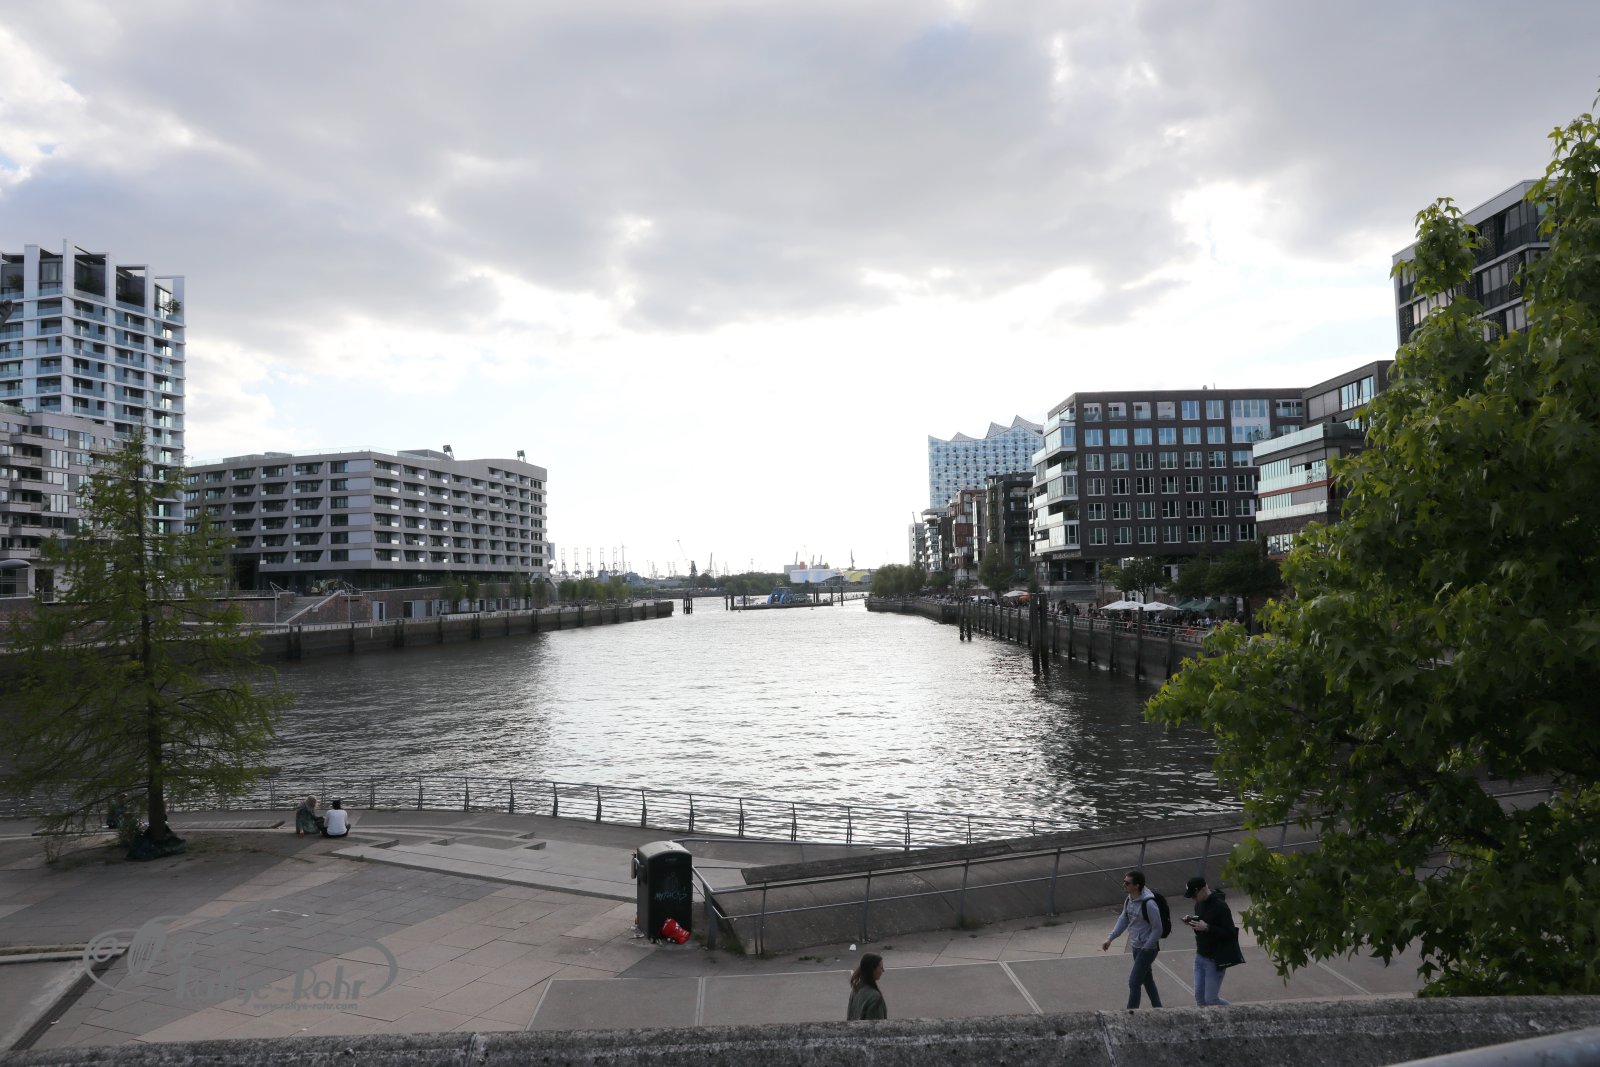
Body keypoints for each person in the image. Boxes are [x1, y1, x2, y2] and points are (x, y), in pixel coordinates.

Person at [1101, 869, 1163, 1009]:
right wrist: (1110, 938)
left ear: (1137, 886)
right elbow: (1123, 919)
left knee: (1134, 982)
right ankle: (1158, 1008)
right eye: (1124, 881)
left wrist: (1146, 947)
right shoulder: (1129, 899)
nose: (1124, 884)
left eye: (1127, 883)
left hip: (1147, 949)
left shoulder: (1149, 904)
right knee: (1147, 980)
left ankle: (1131, 1013)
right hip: (1136, 946)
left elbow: (1158, 929)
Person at [1183, 875, 1243, 1006]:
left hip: (1214, 959)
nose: (1193, 899)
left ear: (1203, 889)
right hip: (1200, 955)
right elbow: (1201, 931)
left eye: (1194, 895)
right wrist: (1193, 924)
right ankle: (1204, 1020)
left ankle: (1235, 1013)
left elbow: (1230, 933)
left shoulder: (1221, 906)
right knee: (1199, 998)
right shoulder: (1198, 905)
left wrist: (1208, 927)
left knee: (1211, 999)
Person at [846, 952, 887, 1020]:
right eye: (881, 968)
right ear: (872, 970)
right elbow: (876, 1025)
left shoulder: (856, 988)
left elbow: (849, 1015)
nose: (883, 970)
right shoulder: (874, 997)